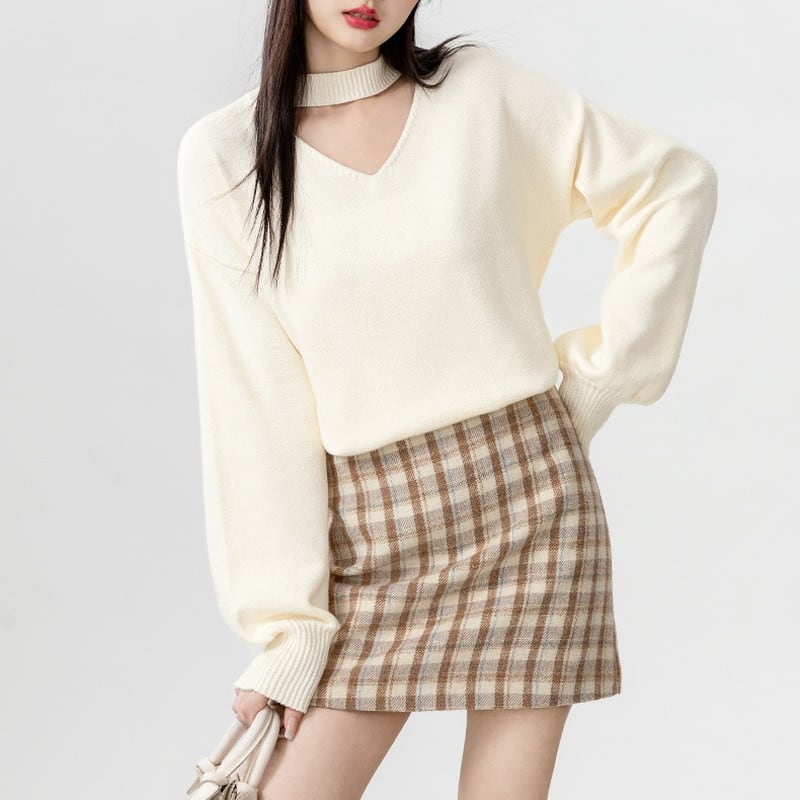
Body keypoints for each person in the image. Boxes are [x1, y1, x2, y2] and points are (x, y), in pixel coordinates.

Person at [176, 1, 718, 797]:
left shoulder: (479, 92)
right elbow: (254, 406)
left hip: (533, 512)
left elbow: (674, 186)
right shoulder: (225, 156)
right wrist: (288, 628)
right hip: (372, 536)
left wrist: (599, 383)